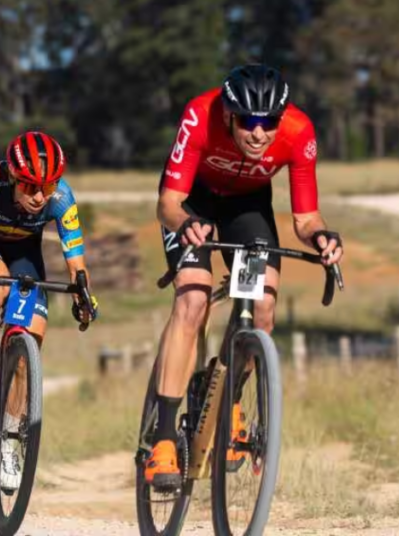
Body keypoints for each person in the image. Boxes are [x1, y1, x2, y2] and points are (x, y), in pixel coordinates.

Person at [144, 64, 345, 491]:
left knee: (264, 307)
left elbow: (306, 217)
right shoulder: (200, 114)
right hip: (191, 201)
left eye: (268, 122)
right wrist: (185, 225)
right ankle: (161, 439)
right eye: (248, 122)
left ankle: (228, 399)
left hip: (246, 207)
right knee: (194, 298)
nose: (259, 133)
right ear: (229, 116)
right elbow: (168, 204)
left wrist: (323, 238)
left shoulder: (299, 131)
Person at [0, 130, 99, 492]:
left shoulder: (61, 197)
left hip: (24, 253)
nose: (40, 196)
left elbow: (77, 264)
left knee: (33, 335)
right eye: (29, 186)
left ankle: (10, 436)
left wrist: (83, 298)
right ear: (13, 176)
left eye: (48, 186)